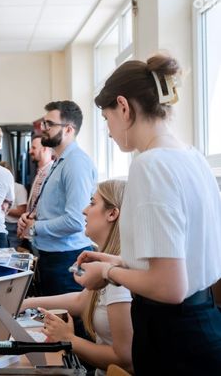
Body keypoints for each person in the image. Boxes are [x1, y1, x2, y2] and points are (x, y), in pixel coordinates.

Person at [74, 54, 221, 375]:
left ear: (124, 107)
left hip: (173, 338)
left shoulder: (150, 165)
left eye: (107, 118)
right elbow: (183, 260)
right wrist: (119, 261)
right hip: (204, 322)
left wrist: (108, 273)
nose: (109, 131)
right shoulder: (193, 158)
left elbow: (169, 286)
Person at [21, 180, 133, 376]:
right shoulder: (108, 263)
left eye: (92, 203)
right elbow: (82, 300)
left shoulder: (118, 278)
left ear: (112, 214)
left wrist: (69, 339)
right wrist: (25, 304)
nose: (84, 210)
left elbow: (124, 360)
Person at [18, 101, 97, 296]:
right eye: (43, 123)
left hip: (65, 259)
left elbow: (76, 220)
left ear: (68, 129)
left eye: (49, 124)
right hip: (53, 258)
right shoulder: (60, 161)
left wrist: (35, 227)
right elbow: (56, 209)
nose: (43, 128)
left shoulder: (75, 163)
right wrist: (32, 218)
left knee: (63, 315)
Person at [16, 134, 54, 252]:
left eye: (33, 148)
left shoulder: (51, 173)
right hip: (33, 230)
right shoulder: (40, 172)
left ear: (45, 149)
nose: (30, 151)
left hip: (41, 233)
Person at [0, 160, 28, 250]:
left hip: (13, 227)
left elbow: (21, 211)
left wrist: (2, 208)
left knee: (10, 252)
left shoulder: (19, 188)